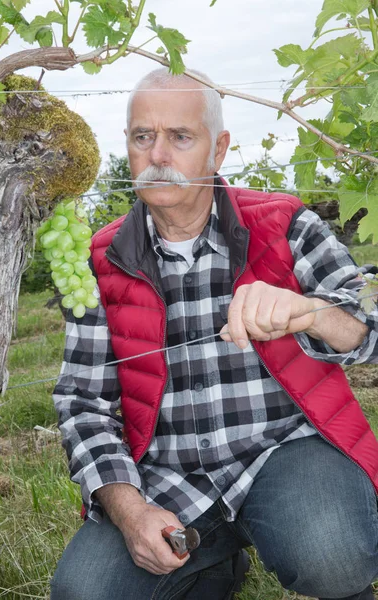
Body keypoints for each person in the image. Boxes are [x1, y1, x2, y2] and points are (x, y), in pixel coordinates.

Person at [50, 68, 378, 600]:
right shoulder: (96, 261)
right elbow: (83, 402)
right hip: (166, 474)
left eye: (180, 137)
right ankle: (214, 565)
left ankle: (287, 541)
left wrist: (312, 311)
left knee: (332, 555)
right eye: (142, 137)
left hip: (284, 450)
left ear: (218, 149)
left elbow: (369, 319)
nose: (158, 155)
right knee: (82, 593)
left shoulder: (287, 223)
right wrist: (130, 511)